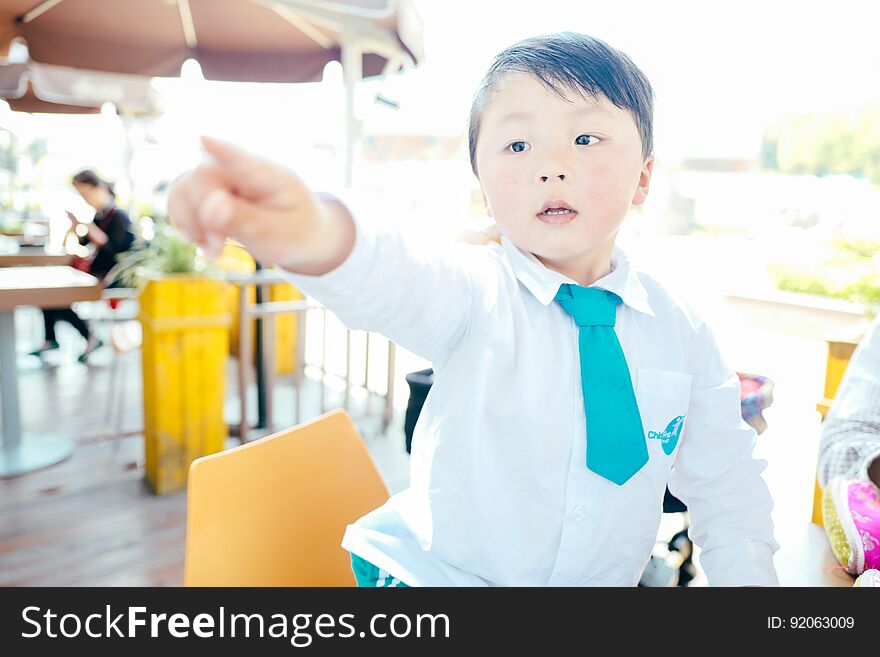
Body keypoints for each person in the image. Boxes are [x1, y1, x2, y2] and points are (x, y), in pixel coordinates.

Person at [168, 33, 779, 587]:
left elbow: (729, 487)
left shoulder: (681, 330)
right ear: (483, 185)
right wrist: (310, 230)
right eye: (516, 144)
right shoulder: (476, 289)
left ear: (643, 178)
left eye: (586, 138)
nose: (550, 166)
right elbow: (397, 275)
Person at [30, 169, 135, 363]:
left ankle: (89, 336)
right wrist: (74, 227)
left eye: (86, 194)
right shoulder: (98, 216)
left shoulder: (119, 216)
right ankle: (53, 338)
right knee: (48, 292)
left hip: (113, 279)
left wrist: (86, 225)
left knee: (54, 297)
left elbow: (114, 248)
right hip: (94, 275)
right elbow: (84, 244)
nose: (85, 200)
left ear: (98, 189)